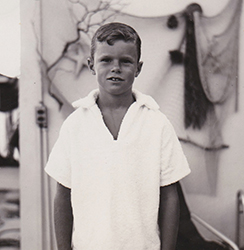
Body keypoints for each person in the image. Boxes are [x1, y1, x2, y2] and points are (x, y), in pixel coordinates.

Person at [45, 22, 191, 250]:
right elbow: (63, 195)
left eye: (125, 61)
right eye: (106, 60)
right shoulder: (75, 125)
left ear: (138, 68)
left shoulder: (157, 123)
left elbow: (170, 197)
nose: (116, 68)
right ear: (91, 65)